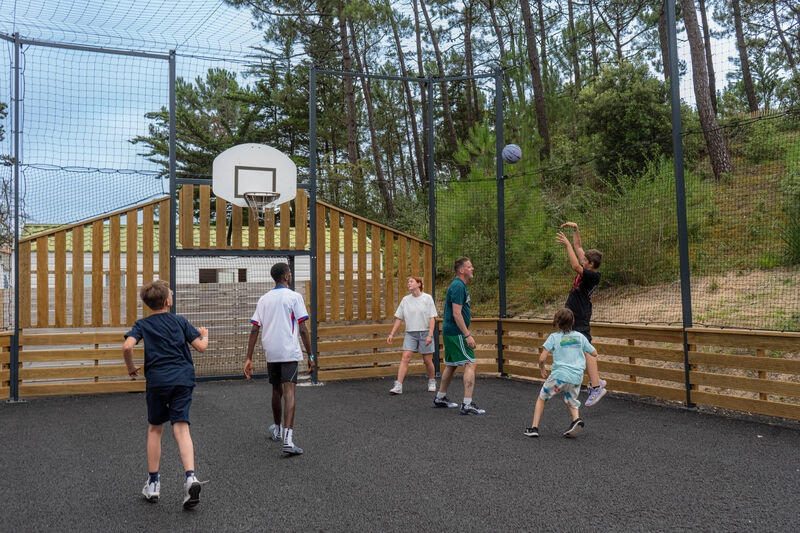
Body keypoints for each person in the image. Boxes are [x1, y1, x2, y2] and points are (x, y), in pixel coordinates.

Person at [122, 279, 209, 509]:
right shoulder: (180, 321)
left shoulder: (142, 325)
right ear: (168, 301)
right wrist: (204, 334)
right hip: (182, 379)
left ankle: (153, 484)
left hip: (157, 381)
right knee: (181, 427)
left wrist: (131, 368)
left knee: (155, 428)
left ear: (148, 303)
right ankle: (190, 478)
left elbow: (127, 347)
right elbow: (200, 347)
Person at [244, 262, 315, 455]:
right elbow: (302, 328)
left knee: (276, 390)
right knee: (290, 392)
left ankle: (277, 429)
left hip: (271, 351)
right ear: (286, 276)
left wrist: (248, 358)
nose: (290, 275)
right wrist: (310, 354)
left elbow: (254, 328)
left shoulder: (264, 299)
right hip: (288, 351)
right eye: (290, 273)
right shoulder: (294, 297)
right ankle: (288, 440)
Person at [524, 308, 599, 438]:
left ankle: (534, 427)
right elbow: (594, 353)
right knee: (570, 399)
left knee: (542, 398)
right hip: (576, 377)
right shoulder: (580, 337)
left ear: (557, 323)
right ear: (573, 321)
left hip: (559, 376)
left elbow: (542, 358)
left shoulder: (553, 337)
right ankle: (576, 420)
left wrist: (542, 369)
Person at [557, 221, 607, 406]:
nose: (582, 259)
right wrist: (576, 228)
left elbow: (575, 266)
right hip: (574, 315)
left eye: (585, 260)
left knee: (587, 350)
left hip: (581, 315)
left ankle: (596, 387)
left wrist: (568, 246)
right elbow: (579, 247)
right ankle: (596, 381)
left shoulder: (592, 275)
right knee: (579, 348)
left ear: (591, 264)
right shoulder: (588, 266)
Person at [433, 257, 485, 415]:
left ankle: (440, 397)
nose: (472, 268)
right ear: (462, 270)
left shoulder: (460, 286)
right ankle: (467, 404)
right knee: (471, 362)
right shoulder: (458, 286)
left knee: (451, 364)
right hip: (456, 332)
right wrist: (467, 335)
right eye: (469, 267)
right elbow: (457, 314)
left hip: (451, 331)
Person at [387, 276, 438, 395]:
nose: (408, 283)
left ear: (419, 284)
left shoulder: (427, 298)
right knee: (405, 357)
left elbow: (432, 318)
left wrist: (430, 335)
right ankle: (398, 385)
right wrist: (392, 334)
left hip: (425, 332)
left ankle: (432, 381)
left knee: (427, 360)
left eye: (411, 281)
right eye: (407, 281)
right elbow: (399, 318)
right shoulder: (405, 300)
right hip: (410, 333)